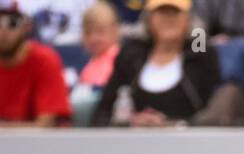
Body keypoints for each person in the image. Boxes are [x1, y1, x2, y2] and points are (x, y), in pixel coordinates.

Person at [90, 0, 222, 126]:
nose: (168, 18)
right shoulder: (130, 55)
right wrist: (129, 123)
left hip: (189, 142)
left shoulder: (201, 56)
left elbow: (213, 113)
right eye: (161, 12)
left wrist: (171, 124)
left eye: (175, 12)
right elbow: (103, 112)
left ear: (188, 19)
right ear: (148, 19)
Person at [0, 0, 71, 126]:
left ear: (27, 26)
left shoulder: (45, 60)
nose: (3, 31)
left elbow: (46, 125)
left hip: (39, 145)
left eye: (12, 22)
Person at [78, 0, 119, 85]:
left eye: (100, 32)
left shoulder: (120, 61)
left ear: (114, 31)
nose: (94, 38)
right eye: (88, 32)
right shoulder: (91, 64)